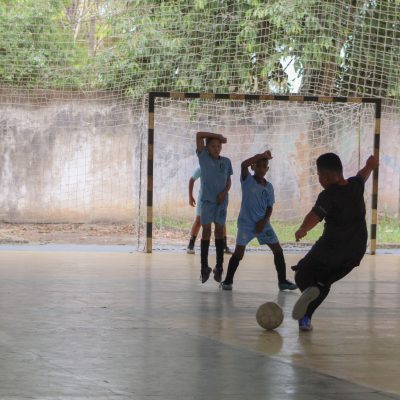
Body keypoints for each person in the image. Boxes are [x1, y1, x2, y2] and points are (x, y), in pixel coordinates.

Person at [291, 153, 379, 331]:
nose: (319, 179)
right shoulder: (355, 186)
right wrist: (370, 165)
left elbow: (316, 214)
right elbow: (363, 175)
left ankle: (310, 299)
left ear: (328, 177)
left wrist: (303, 229)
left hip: (331, 248)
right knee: (324, 283)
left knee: (302, 275)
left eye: (319, 175)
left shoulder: (328, 195)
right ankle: (306, 318)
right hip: (356, 252)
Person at [220, 151, 297, 291]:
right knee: (239, 253)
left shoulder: (269, 187)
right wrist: (261, 155)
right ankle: (227, 281)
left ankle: (282, 281)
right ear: (253, 167)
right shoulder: (247, 180)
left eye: (264, 166)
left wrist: (264, 221)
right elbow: (243, 164)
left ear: (267, 169)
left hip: (263, 224)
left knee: (278, 250)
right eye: (258, 166)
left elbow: (269, 207)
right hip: (246, 224)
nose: (261, 169)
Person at [196, 131, 233, 283]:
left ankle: (219, 267)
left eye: (218, 146)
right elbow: (198, 135)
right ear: (207, 148)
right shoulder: (203, 158)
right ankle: (204, 267)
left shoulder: (226, 162)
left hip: (221, 201)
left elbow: (228, 181)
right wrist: (218, 135)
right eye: (212, 146)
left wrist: (224, 193)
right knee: (205, 231)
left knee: (219, 230)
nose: (216, 148)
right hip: (207, 201)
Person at [186, 167, 232, 255]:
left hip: (219, 199)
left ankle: (224, 245)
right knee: (199, 220)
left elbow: (228, 182)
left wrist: (224, 194)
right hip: (204, 199)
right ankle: (191, 244)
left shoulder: (222, 166)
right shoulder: (202, 166)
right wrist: (190, 196)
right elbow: (192, 180)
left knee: (221, 222)